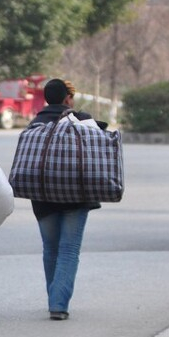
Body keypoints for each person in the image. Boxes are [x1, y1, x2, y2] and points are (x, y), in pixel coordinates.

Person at [28, 78, 105, 321]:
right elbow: (100, 136)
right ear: (67, 99)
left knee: (50, 248)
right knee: (69, 250)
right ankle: (58, 304)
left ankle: (55, 299)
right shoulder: (81, 119)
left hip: (42, 198)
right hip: (75, 196)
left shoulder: (35, 124)